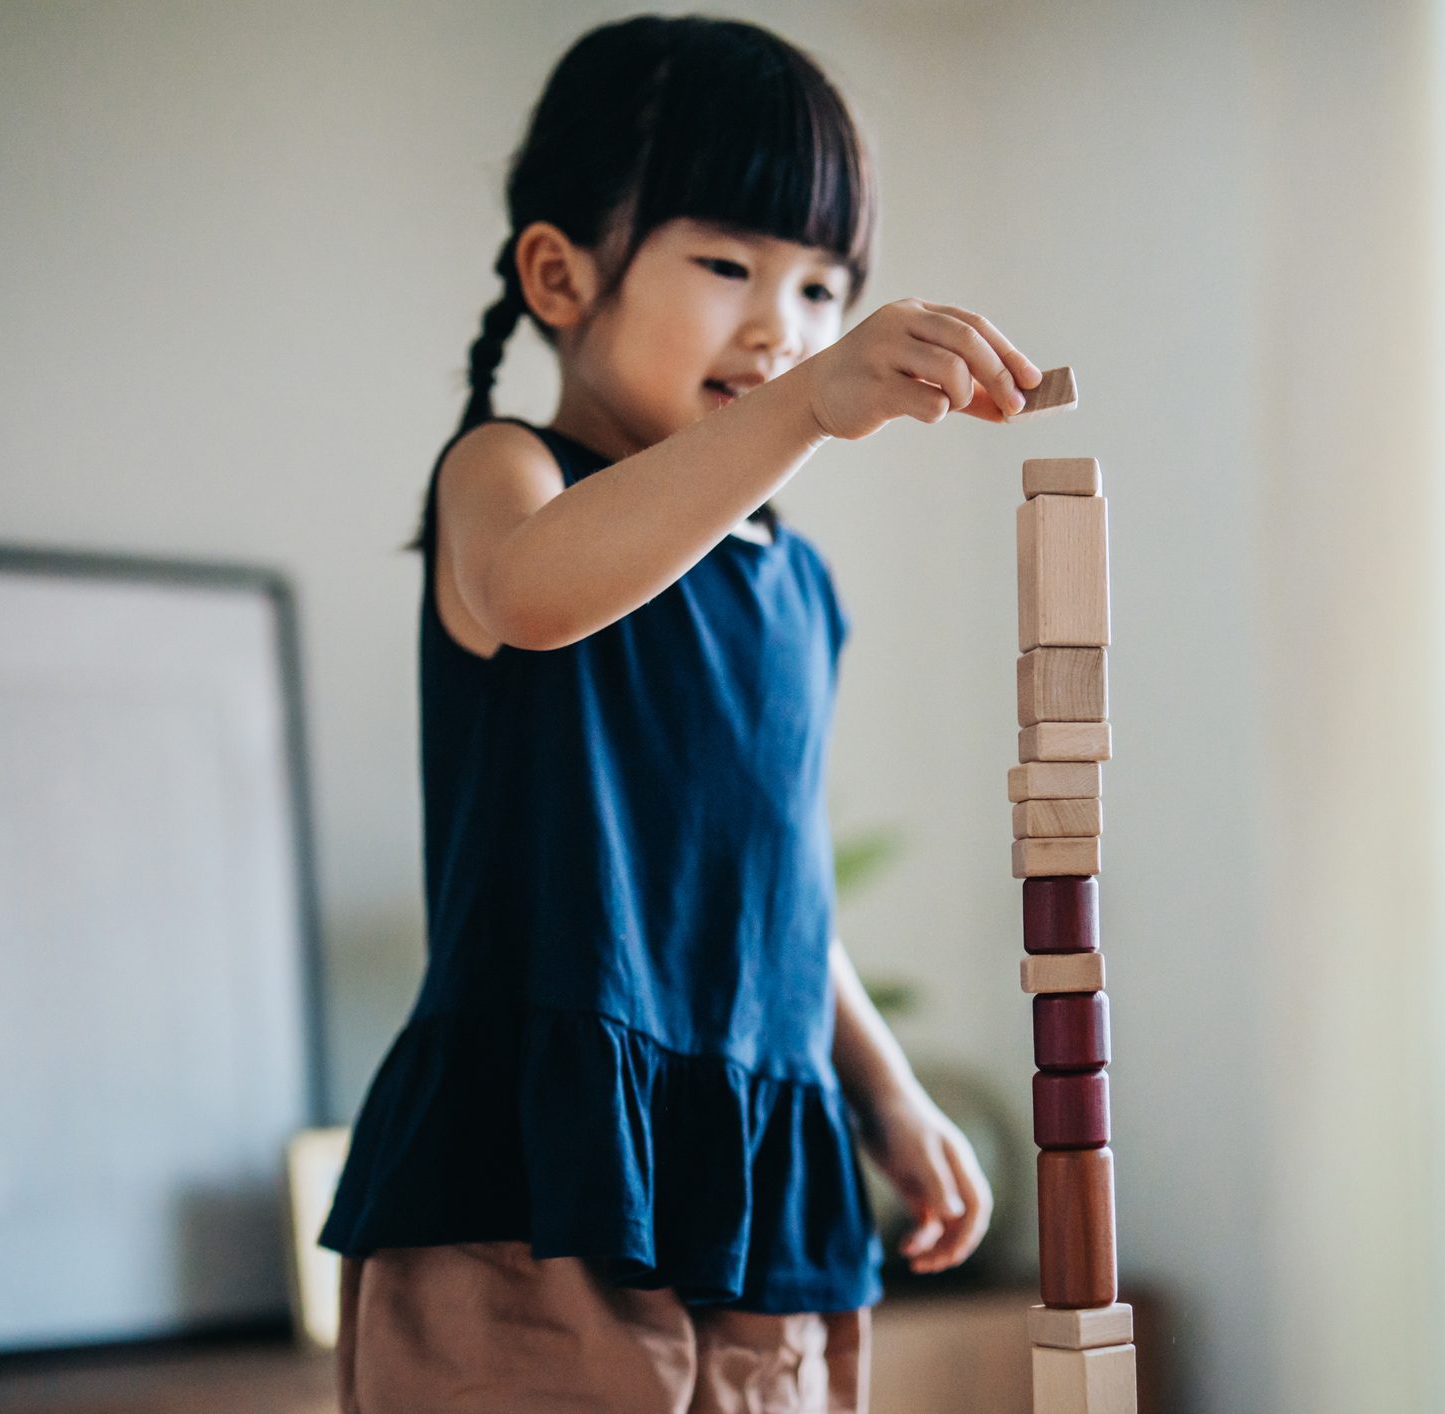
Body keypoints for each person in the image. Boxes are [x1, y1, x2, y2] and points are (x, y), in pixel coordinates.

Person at [317, 15, 1042, 1411]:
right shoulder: (504, 476)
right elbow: (540, 593)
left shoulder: (798, 586)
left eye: (826, 289)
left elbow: (785, 881)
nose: (783, 327)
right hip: (532, 1181)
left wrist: (884, 1089)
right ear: (558, 274)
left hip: (760, 1181)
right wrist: (810, 405)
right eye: (728, 265)